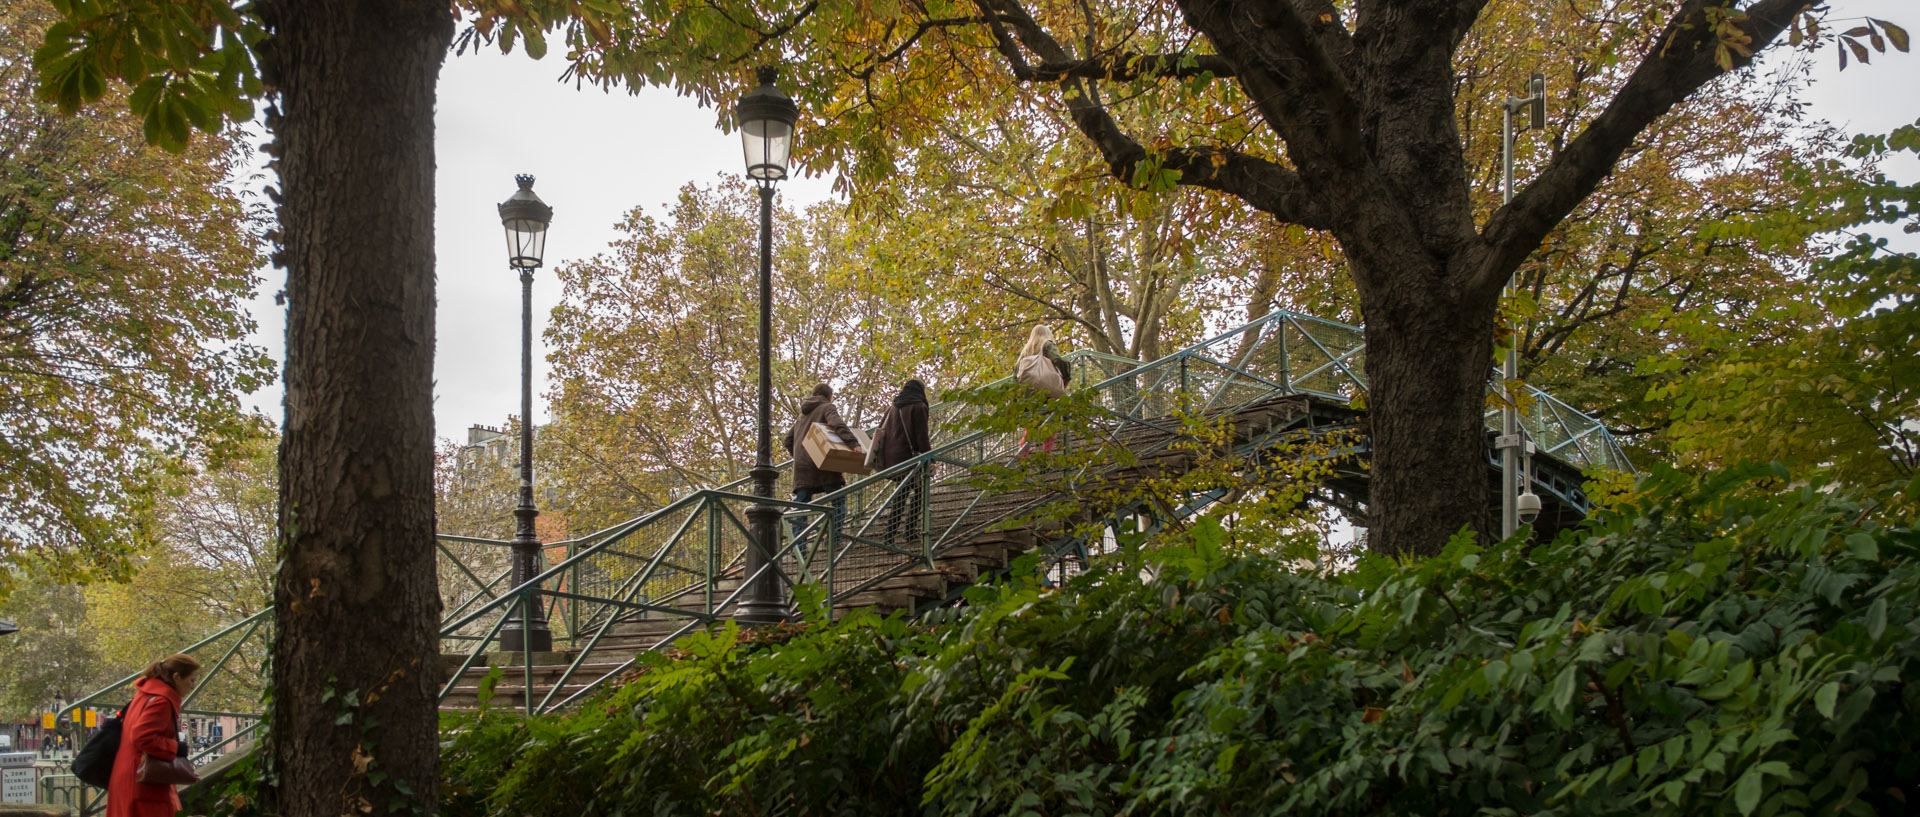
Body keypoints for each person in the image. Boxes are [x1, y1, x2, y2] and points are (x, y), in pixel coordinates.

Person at [108, 653, 200, 817]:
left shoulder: (146, 694)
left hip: (128, 774)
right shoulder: (162, 701)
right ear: (177, 677)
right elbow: (142, 737)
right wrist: (176, 747)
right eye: (191, 680)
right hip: (144, 779)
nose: (192, 686)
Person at [782, 383, 860, 556]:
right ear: (829, 396)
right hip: (824, 465)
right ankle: (834, 540)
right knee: (838, 500)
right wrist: (853, 444)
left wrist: (800, 456)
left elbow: (788, 440)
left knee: (801, 506)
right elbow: (837, 424)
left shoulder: (802, 416)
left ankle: (798, 547)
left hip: (802, 468)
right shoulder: (827, 407)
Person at [871, 379, 933, 548]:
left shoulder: (893, 407)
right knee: (918, 492)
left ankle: (892, 536)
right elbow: (922, 437)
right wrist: (931, 459)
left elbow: (880, 430)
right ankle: (906, 532)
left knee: (902, 494)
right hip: (908, 458)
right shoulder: (918, 406)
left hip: (891, 459)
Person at [1013, 325, 1070, 451]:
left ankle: (1023, 457)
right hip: (1046, 393)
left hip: (1027, 397)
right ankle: (1046, 457)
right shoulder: (1047, 344)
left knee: (1030, 429)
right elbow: (1058, 360)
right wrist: (1066, 376)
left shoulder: (1025, 351)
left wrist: (1015, 401)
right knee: (1049, 426)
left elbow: (1015, 377)